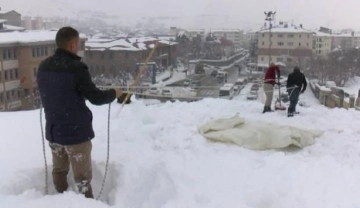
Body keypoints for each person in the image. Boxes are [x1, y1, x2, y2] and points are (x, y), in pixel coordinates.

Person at [37, 27, 122, 198]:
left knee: (59, 171)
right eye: (77, 44)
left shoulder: (43, 66)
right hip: (75, 134)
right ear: (72, 44)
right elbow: (96, 97)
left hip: (54, 131)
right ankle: (85, 203)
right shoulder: (77, 68)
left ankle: (60, 199)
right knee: (82, 179)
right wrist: (114, 93)